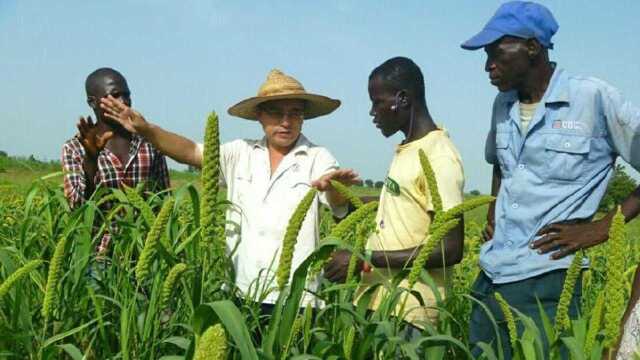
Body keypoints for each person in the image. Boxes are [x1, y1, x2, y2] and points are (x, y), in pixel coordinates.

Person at [460, 2, 640, 358]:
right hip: (491, 276)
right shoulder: (502, 105)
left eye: (496, 52)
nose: (488, 66)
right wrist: (494, 212)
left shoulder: (592, 98)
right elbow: (500, 163)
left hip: (548, 283)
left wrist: (603, 227)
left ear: (532, 47)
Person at [100, 69, 359, 309]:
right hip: (240, 293)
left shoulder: (318, 158)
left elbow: (334, 197)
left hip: (296, 300)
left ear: (303, 118)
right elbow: (191, 151)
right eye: (276, 113)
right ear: (259, 116)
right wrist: (146, 129)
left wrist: (335, 189)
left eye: (295, 113)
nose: (286, 122)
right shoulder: (239, 153)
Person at [323, 57, 465, 331]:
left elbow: (450, 248)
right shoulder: (409, 148)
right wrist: (341, 196)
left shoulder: (439, 155)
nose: (372, 112)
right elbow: (400, 205)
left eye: (376, 101)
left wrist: (363, 258)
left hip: (411, 313)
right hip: (380, 302)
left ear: (401, 98)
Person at [62, 68, 170, 253]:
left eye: (127, 95)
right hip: (98, 258)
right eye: (115, 95)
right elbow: (78, 209)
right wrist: (91, 159)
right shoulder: (75, 148)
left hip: (145, 254)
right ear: (92, 102)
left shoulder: (149, 143)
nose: (124, 101)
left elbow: (163, 202)